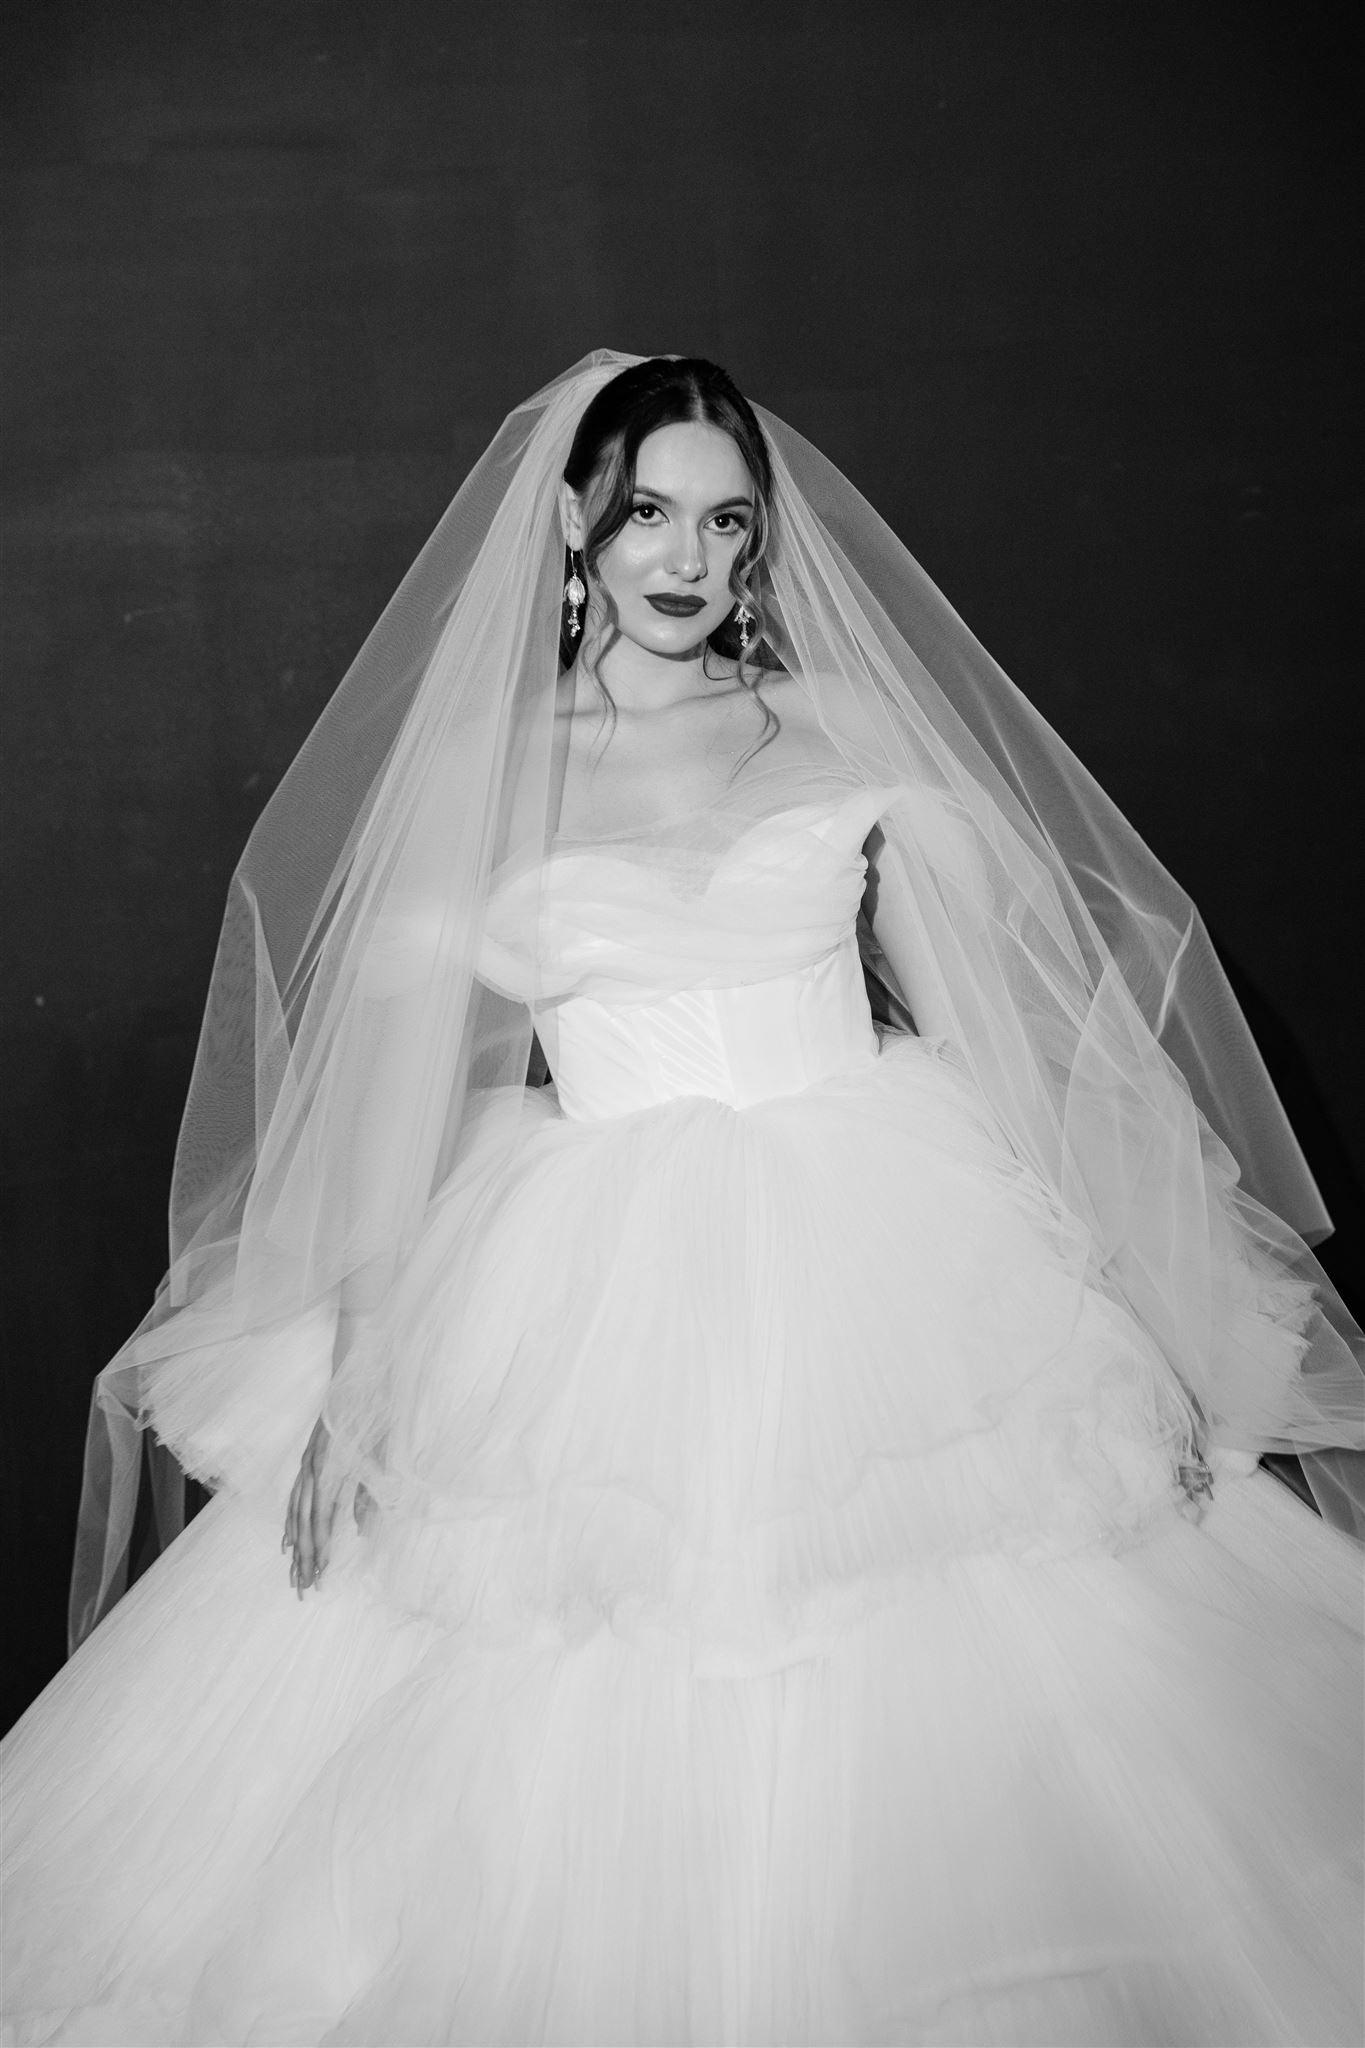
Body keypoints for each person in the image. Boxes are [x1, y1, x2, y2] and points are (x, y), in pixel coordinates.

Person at [2, 351, 1362, 2048]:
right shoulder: (484, 772)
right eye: (647, 511)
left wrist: (1148, 1314)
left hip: (892, 1250)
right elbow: (394, 1108)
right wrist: (360, 1373)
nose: (686, 558)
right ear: (573, 525)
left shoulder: (843, 728)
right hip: (584, 1289)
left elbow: (1019, 1040)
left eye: (726, 522)